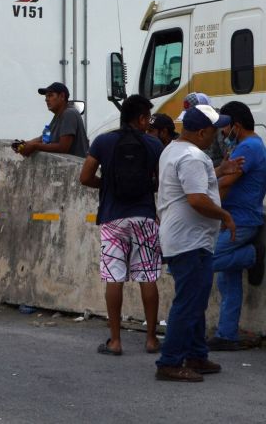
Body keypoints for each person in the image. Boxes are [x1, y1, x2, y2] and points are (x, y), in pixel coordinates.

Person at [155, 105, 240, 382]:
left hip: (186, 239)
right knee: (189, 302)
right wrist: (224, 215)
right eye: (214, 131)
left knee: (194, 299)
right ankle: (169, 362)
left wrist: (220, 168)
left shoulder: (175, 150)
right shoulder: (192, 157)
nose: (217, 136)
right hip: (189, 241)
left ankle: (196, 354)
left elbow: (191, 184)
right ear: (202, 132)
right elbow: (196, 198)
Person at [79, 94, 164, 356]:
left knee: (114, 278)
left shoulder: (103, 142)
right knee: (147, 276)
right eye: (147, 117)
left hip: (113, 218)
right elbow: (159, 183)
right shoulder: (154, 144)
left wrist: (107, 185)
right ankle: (151, 339)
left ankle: (115, 341)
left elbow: (85, 177)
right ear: (140, 118)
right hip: (144, 218)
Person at [208, 102, 266, 351]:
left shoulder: (249, 148)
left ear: (237, 126)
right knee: (227, 282)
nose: (223, 133)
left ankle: (251, 255)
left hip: (240, 221)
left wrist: (210, 210)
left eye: (226, 128)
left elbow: (225, 184)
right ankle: (227, 333)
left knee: (202, 262)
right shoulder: (248, 146)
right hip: (233, 218)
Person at [15, 82, 89, 158]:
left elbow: (63, 148)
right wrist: (26, 144)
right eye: (46, 97)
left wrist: (34, 146)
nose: (46, 100)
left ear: (62, 96)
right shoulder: (57, 116)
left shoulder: (69, 113)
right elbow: (43, 138)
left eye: (50, 95)